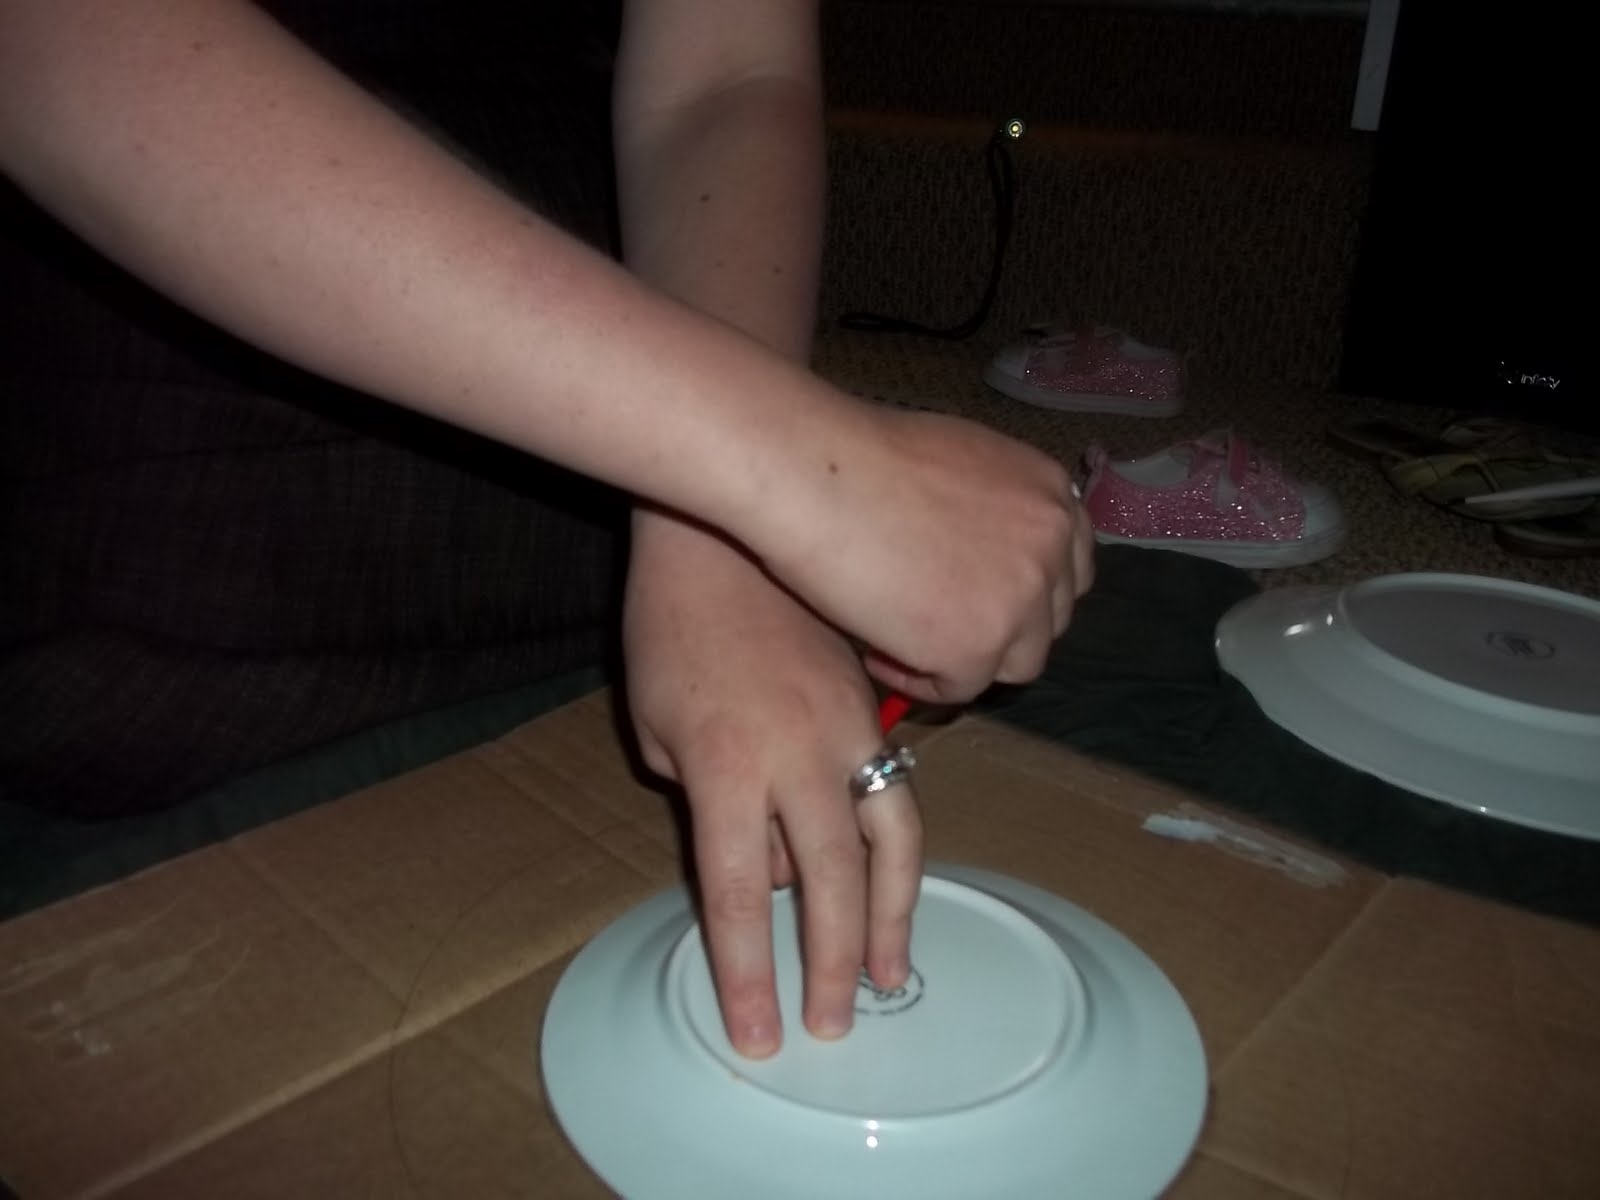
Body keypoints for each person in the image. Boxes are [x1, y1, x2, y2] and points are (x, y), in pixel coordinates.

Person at [0, 0, 1092, 1058]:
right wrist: (790, 473)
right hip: (191, 518)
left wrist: (721, 545)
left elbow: (727, 74)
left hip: (624, 464)